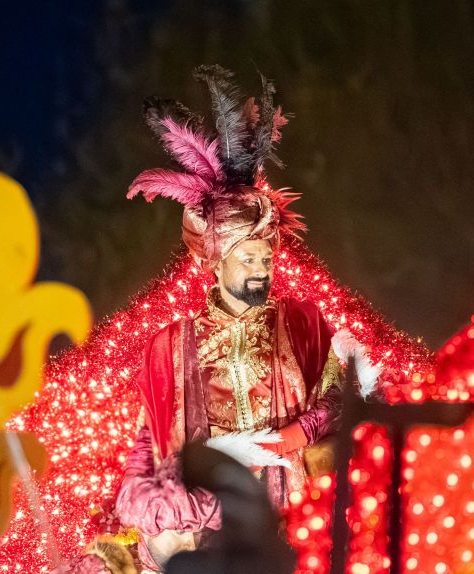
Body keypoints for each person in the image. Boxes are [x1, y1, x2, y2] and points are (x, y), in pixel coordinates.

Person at [113, 65, 352, 571]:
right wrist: (170, 507)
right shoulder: (171, 347)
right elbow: (143, 457)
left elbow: (339, 401)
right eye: (248, 258)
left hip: (290, 530)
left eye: (266, 258)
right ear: (216, 260)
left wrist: (296, 435)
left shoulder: (303, 326)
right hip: (207, 541)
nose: (261, 269)